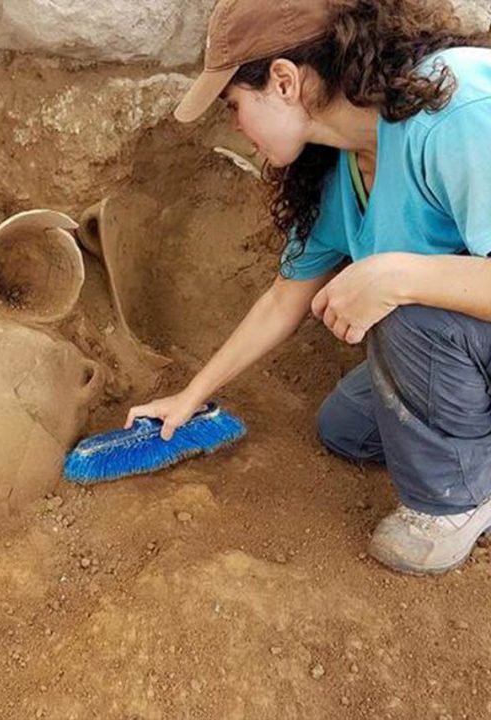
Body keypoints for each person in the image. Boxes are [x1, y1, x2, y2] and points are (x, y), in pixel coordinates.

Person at [125, 0, 491, 575]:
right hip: (471, 348)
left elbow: (404, 287)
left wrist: (397, 277)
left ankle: (454, 504)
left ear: (285, 80)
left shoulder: (459, 111)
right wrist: (189, 397)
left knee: (401, 307)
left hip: (461, 336)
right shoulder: (338, 167)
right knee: (345, 427)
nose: (239, 130)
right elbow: (283, 299)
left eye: (234, 108)